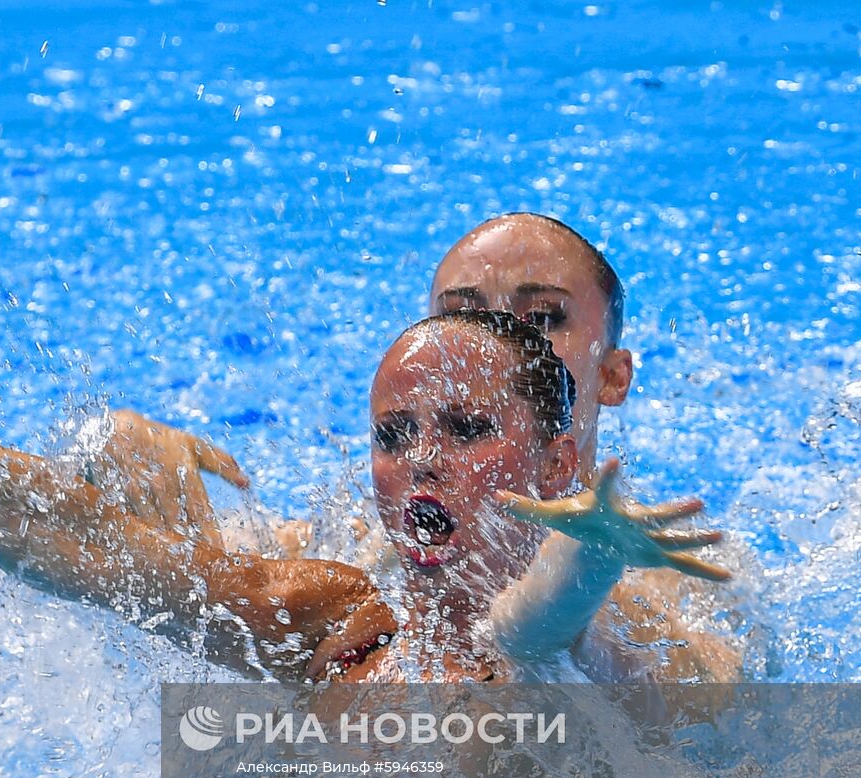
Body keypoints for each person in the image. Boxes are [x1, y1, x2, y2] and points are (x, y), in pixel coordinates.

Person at [0, 292, 727, 684]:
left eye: (465, 428)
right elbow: (68, 544)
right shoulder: (330, 621)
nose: (419, 457)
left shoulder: (635, 645)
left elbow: (531, 631)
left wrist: (591, 552)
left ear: (555, 459)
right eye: (391, 433)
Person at [91, 213, 744, 681]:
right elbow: (171, 579)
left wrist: (585, 577)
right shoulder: (360, 541)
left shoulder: (673, 568)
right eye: (460, 314)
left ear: (612, 374)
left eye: (544, 316)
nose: (493, 338)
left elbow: (708, 715)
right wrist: (115, 448)